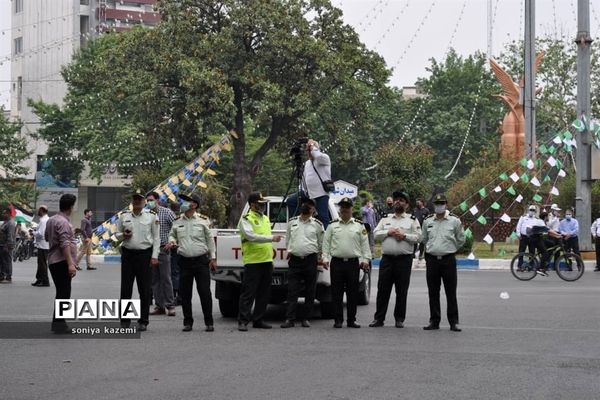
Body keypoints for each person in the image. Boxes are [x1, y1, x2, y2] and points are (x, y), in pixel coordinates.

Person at [369, 190, 421, 328]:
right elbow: (375, 235)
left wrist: (404, 236)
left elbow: (419, 237)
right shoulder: (385, 219)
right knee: (382, 290)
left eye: (401, 200)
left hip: (404, 260)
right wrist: (388, 232)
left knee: (401, 290)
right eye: (396, 199)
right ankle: (379, 319)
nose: (398, 201)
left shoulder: (412, 220)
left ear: (407, 205)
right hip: (387, 260)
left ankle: (399, 319)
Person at [165, 193, 216, 332]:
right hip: (184, 261)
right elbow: (172, 235)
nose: (184, 203)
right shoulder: (177, 220)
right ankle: (188, 322)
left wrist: (213, 258)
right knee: (185, 294)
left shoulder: (203, 220)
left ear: (194, 205)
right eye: (184, 201)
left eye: (187, 201)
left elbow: (210, 240)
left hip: (201, 261)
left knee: (205, 292)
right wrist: (172, 241)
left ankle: (209, 322)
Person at [322, 197, 371, 329]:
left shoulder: (359, 225)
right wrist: (325, 258)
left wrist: (366, 260)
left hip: (353, 264)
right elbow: (326, 243)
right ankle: (338, 320)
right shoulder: (332, 225)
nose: (344, 209)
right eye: (342, 207)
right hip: (337, 263)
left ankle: (351, 320)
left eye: (347, 207)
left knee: (352, 293)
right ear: (339, 209)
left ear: (351, 209)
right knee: (336, 293)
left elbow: (365, 245)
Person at [115, 189, 160, 332]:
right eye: (135, 199)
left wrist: (154, 256)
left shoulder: (152, 217)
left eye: (140, 199)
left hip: (144, 255)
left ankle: (143, 321)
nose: (137, 201)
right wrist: (123, 235)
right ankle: (125, 320)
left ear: (144, 202)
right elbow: (116, 235)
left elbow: (156, 238)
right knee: (125, 289)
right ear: (132, 201)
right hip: (128, 255)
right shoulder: (123, 217)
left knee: (144, 289)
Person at [237, 192, 283, 332]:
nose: (262, 205)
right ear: (252, 204)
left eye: (263, 203)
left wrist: (271, 260)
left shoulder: (265, 219)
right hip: (253, 262)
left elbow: (266, 242)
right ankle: (243, 321)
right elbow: (251, 236)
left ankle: (258, 319)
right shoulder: (246, 219)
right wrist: (271, 238)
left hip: (266, 261)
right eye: (260, 203)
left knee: (264, 293)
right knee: (249, 293)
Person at [421, 194, 465, 332]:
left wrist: (451, 249)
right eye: (437, 203)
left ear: (446, 204)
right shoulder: (427, 221)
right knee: (433, 292)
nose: (439, 205)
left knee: (450, 292)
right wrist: (432, 249)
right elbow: (424, 239)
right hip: (432, 260)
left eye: (442, 203)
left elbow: (461, 239)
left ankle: (453, 322)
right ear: (434, 205)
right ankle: (434, 320)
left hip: (448, 260)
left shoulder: (454, 221)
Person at [281, 198, 324, 329]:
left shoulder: (317, 224)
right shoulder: (292, 222)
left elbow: (321, 243)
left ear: (313, 210)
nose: (306, 207)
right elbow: (288, 239)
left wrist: (320, 257)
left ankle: (306, 318)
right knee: (292, 290)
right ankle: (290, 319)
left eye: (310, 205)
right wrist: (290, 250)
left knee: (310, 290)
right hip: (294, 260)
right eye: (305, 204)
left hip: (310, 260)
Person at [45, 194, 78, 333]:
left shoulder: (51, 220)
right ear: (71, 207)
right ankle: (59, 324)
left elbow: (47, 237)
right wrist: (70, 264)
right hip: (61, 261)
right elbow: (64, 244)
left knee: (61, 292)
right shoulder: (64, 222)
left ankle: (58, 322)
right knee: (64, 293)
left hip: (53, 260)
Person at [286, 139, 332, 229]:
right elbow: (305, 179)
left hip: (320, 193)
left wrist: (312, 145)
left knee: (323, 216)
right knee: (291, 201)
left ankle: (325, 237)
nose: (309, 152)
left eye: (310, 149)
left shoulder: (324, 158)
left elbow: (317, 156)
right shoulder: (307, 163)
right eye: (308, 150)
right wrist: (301, 190)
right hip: (308, 193)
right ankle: (299, 224)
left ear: (316, 149)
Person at [146, 191, 177, 317]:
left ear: (157, 200)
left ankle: (170, 305)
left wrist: (173, 241)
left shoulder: (166, 212)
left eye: (151, 200)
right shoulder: (145, 214)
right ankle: (159, 306)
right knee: (154, 280)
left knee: (166, 278)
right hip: (150, 250)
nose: (149, 202)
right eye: (147, 200)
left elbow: (177, 226)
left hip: (164, 249)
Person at [32, 205, 50, 287]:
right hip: (43, 244)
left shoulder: (44, 221)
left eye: (38, 210)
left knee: (42, 264)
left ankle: (45, 281)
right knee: (40, 263)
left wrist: (33, 233)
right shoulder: (45, 220)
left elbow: (41, 234)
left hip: (43, 245)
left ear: (42, 210)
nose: (37, 212)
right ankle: (39, 279)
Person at [169, 201, 182, 305]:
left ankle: (174, 295)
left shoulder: (174, 218)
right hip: (182, 248)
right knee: (180, 272)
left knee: (174, 272)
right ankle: (180, 296)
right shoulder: (181, 217)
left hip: (175, 248)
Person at [0, 205, 16, 283]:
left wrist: (7, 246)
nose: (3, 215)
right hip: (2, 244)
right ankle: (2, 275)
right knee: (3, 261)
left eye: (4, 213)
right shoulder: (5, 222)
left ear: (8, 213)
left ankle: (8, 277)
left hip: (7, 245)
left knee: (7, 261)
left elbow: (10, 235)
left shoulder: (11, 223)